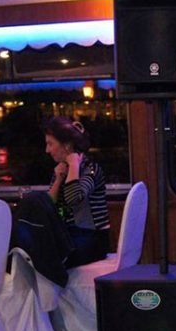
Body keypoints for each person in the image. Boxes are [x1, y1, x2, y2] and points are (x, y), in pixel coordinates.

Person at [10, 117, 110, 286]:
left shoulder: (90, 169)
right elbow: (48, 206)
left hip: (91, 240)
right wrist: (58, 178)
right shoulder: (61, 169)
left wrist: (74, 165)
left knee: (35, 205)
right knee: (33, 204)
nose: (47, 150)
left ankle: (54, 279)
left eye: (50, 144)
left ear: (67, 145)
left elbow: (73, 199)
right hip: (67, 235)